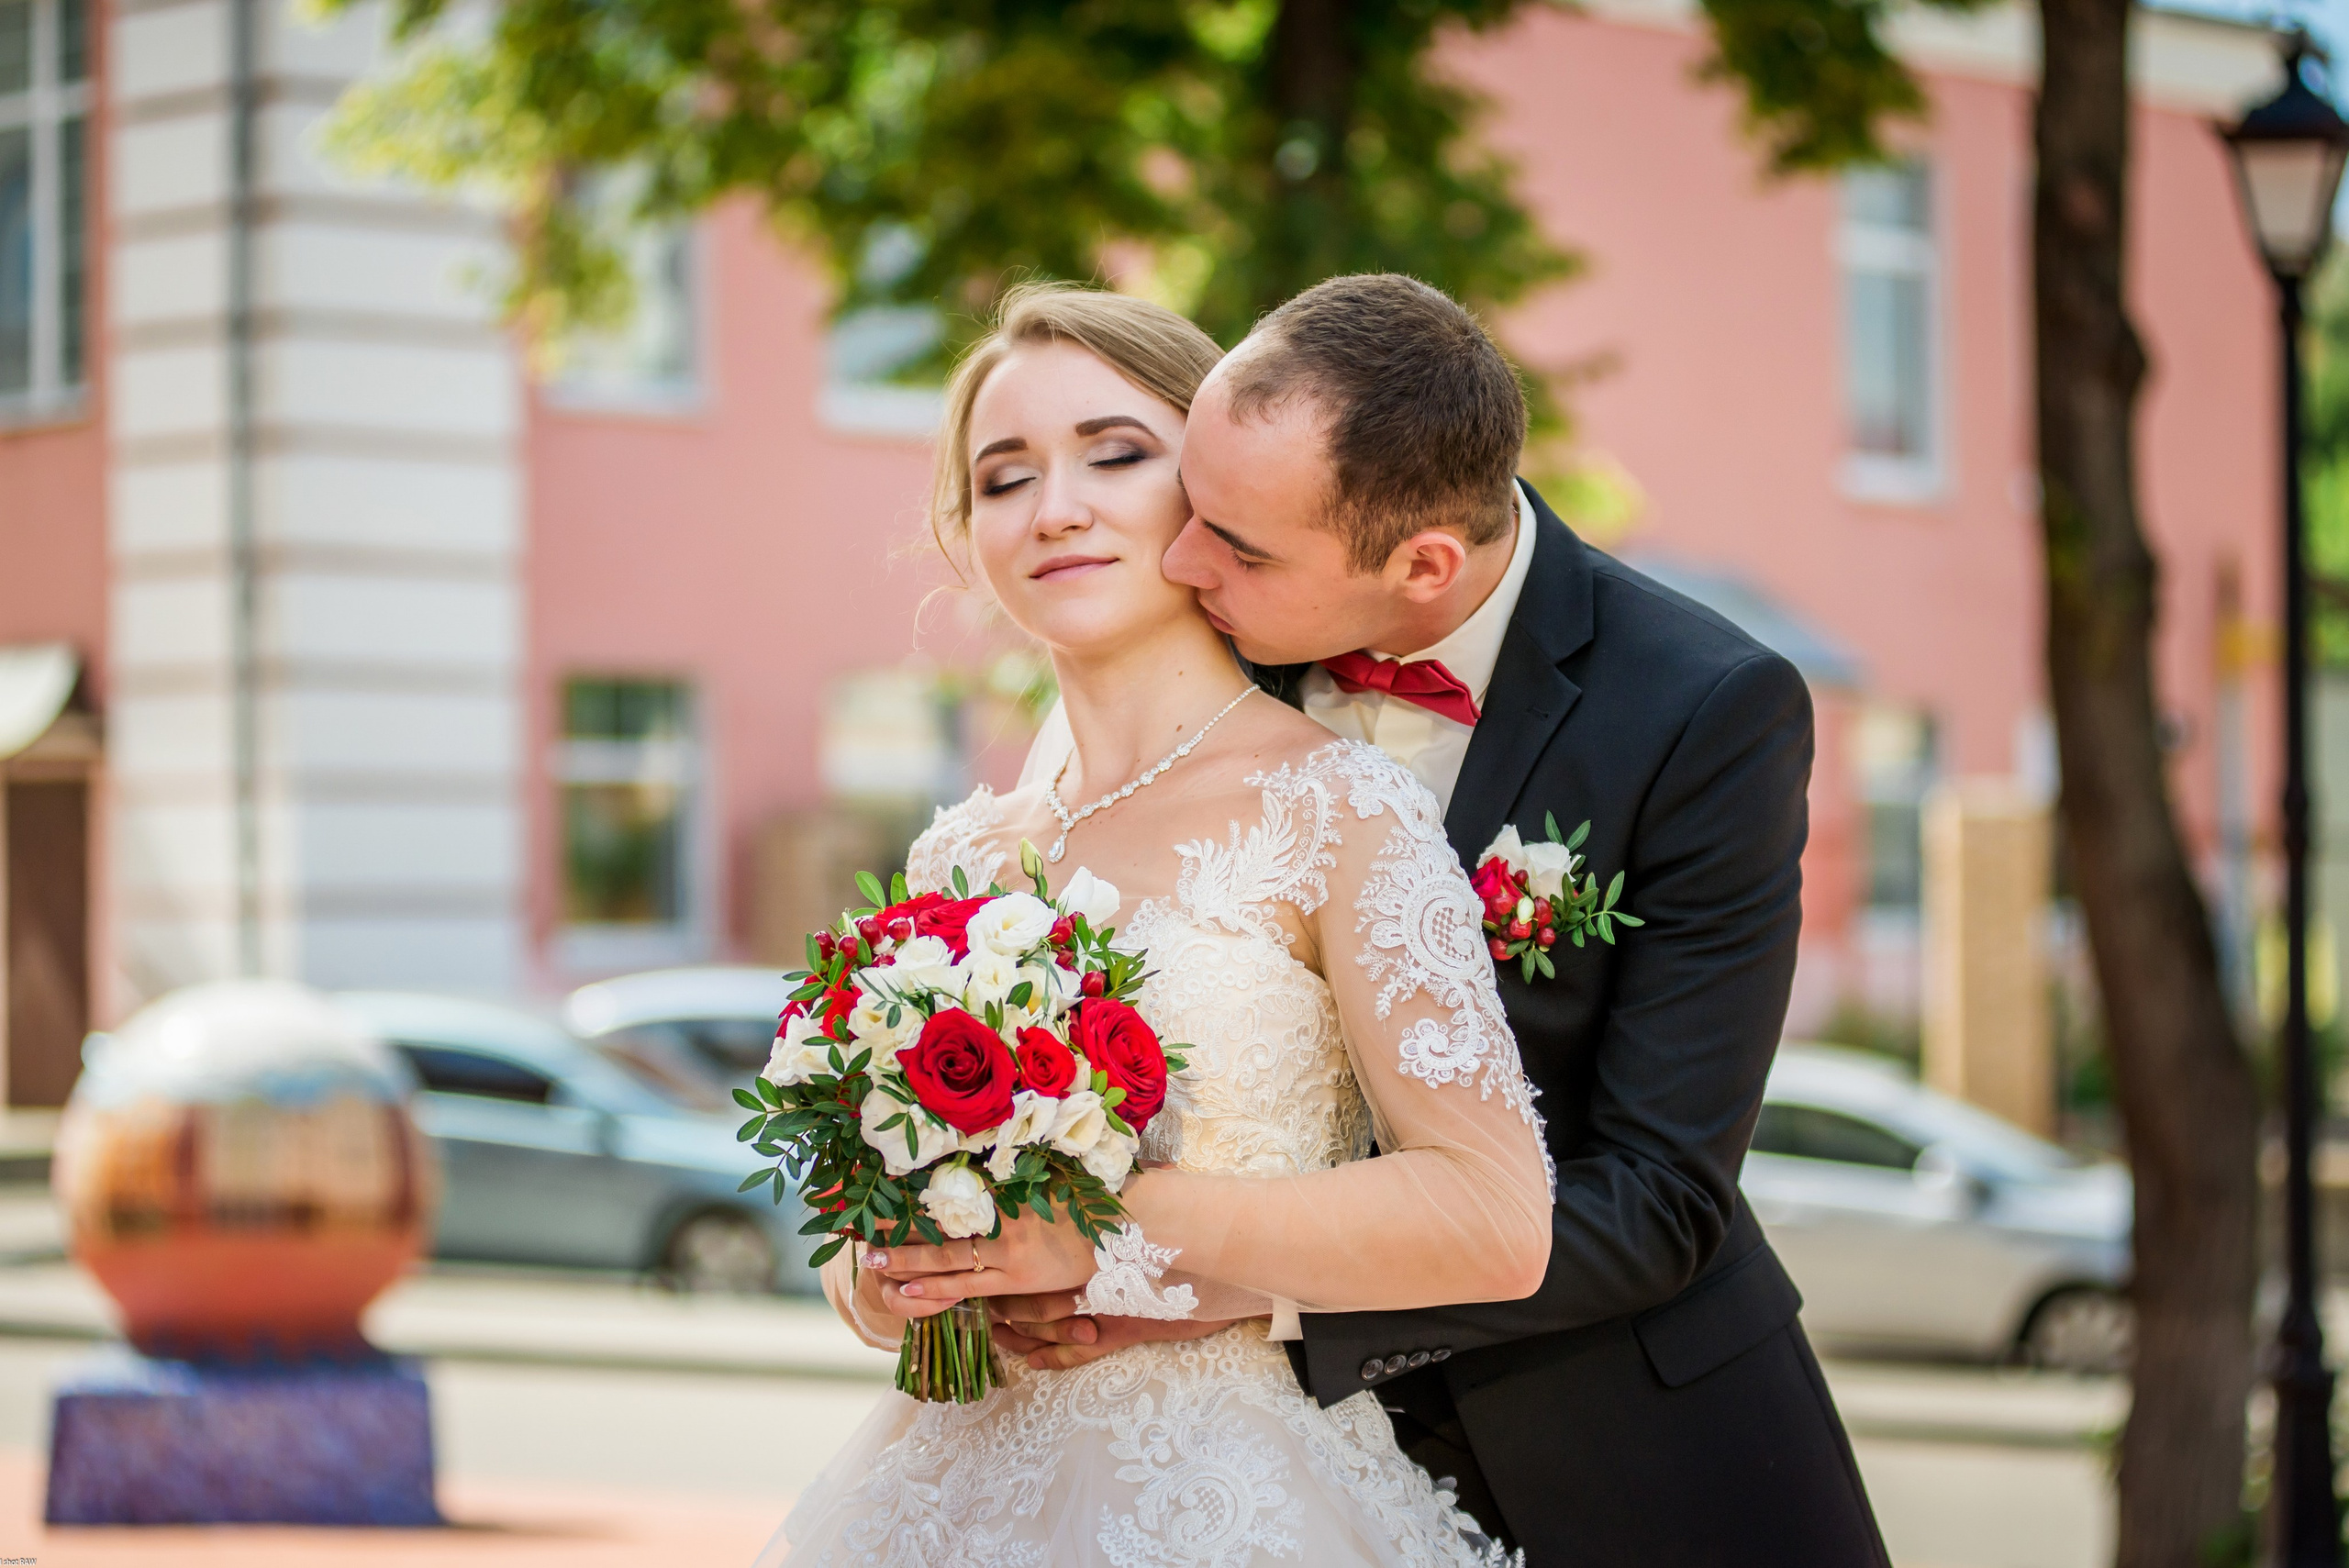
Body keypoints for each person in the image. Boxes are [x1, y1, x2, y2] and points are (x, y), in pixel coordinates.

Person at [889, 274, 1891, 1566]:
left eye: (1234, 543)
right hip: (1210, 1473)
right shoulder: (1204, 643)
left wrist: (1216, 1285)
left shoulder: (1702, 711)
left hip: (1614, 1439)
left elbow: (1657, 1195)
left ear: (1420, 566)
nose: (1187, 556)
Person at [766, 283, 1553, 1566]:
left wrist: (1115, 1229)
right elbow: (863, 1245)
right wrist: (889, 1273)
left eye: (1115, 455)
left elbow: (1494, 1216)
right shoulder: (960, 856)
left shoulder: (1340, 807)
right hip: (947, 1489)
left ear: (1209, 488)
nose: (1055, 508)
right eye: (1005, 476)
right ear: (968, 535)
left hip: (1227, 1499)